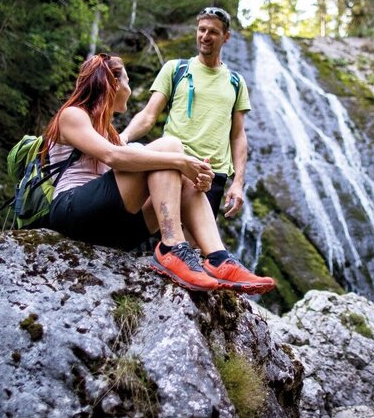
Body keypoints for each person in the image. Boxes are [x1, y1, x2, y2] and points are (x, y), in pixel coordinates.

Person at [45, 53, 274, 294]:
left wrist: (192, 176)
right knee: (170, 146)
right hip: (72, 212)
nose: (129, 88)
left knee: (181, 175)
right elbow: (113, 157)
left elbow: (131, 173)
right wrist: (180, 160)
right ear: (114, 84)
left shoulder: (110, 132)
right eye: (127, 81)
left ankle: (218, 259)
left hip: (109, 227)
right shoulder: (73, 114)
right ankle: (171, 247)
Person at [120, 6, 248, 220]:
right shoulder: (175, 69)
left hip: (212, 174)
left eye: (213, 32)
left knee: (195, 248)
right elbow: (149, 115)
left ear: (226, 37)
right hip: (172, 165)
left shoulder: (236, 82)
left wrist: (238, 183)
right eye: (202, 29)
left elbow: (238, 135)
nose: (205, 36)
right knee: (162, 236)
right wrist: (123, 137)